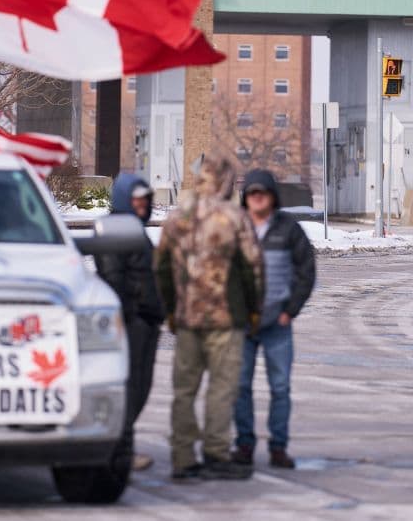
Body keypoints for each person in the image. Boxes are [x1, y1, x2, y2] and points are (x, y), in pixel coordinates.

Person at [155, 154, 263, 481]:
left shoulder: (177, 218)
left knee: (184, 390)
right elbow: (251, 268)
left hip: (187, 318)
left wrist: (171, 309)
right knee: (221, 388)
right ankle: (216, 453)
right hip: (225, 319)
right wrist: (254, 309)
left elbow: (160, 268)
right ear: (228, 181)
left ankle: (183, 458)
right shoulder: (234, 217)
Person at [232, 169, 316, 470]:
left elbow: (306, 271)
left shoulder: (288, 229)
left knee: (280, 388)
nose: (257, 198)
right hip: (241, 325)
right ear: (245, 197)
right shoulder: (234, 228)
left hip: (277, 325)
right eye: (252, 193)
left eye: (263, 193)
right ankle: (243, 444)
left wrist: (289, 310)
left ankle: (278, 448)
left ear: (272, 197)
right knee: (239, 387)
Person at [93, 174, 165, 472]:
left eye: (145, 200)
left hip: (147, 320)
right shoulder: (114, 230)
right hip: (131, 322)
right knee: (130, 387)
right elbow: (114, 278)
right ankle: (119, 451)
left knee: (141, 387)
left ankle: (122, 446)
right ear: (123, 199)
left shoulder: (134, 230)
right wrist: (130, 313)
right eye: (136, 199)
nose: (142, 205)